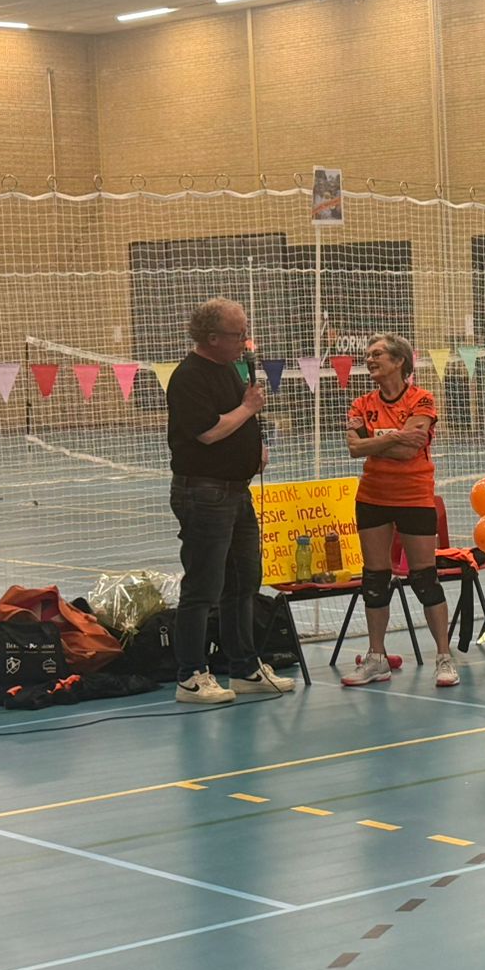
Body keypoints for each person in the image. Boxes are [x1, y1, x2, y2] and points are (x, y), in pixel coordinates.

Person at [165, 298, 296, 704]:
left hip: (237, 491)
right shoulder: (188, 377)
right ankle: (191, 675)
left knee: (244, 582)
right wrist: (247, 407)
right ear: (212, 338)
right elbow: (207, 432)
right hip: (204, 493)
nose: (245, 341)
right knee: (203, 586)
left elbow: (241, 421)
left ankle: (245, 667)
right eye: (238, 334)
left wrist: (257, 446)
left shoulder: (230, 370)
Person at [338, 335, 456, 688]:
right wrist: (394, 437)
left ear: (399, 360)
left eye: (377, 354)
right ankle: (376, 658)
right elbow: (355, 449)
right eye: (368, 355)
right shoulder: (361, 403)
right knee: (374, 579)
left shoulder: (422, 399)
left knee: (424, 578)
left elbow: (408, 453)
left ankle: (444, 658)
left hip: (414, 496)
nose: (370, 359)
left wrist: (375, 441)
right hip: (372, 496)